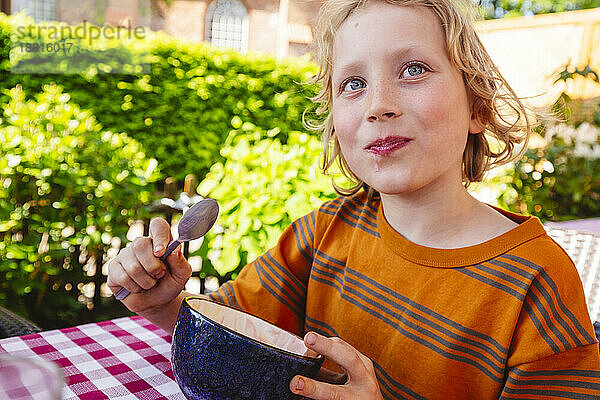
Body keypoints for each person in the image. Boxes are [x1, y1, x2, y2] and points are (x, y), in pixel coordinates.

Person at [107, 0, 600, 398]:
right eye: (353, 84)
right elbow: (231, 336)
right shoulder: (323, 234)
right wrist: (162, 303)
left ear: (477, 106)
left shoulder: (537, 281)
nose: (378, 105)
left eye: (413, 69)